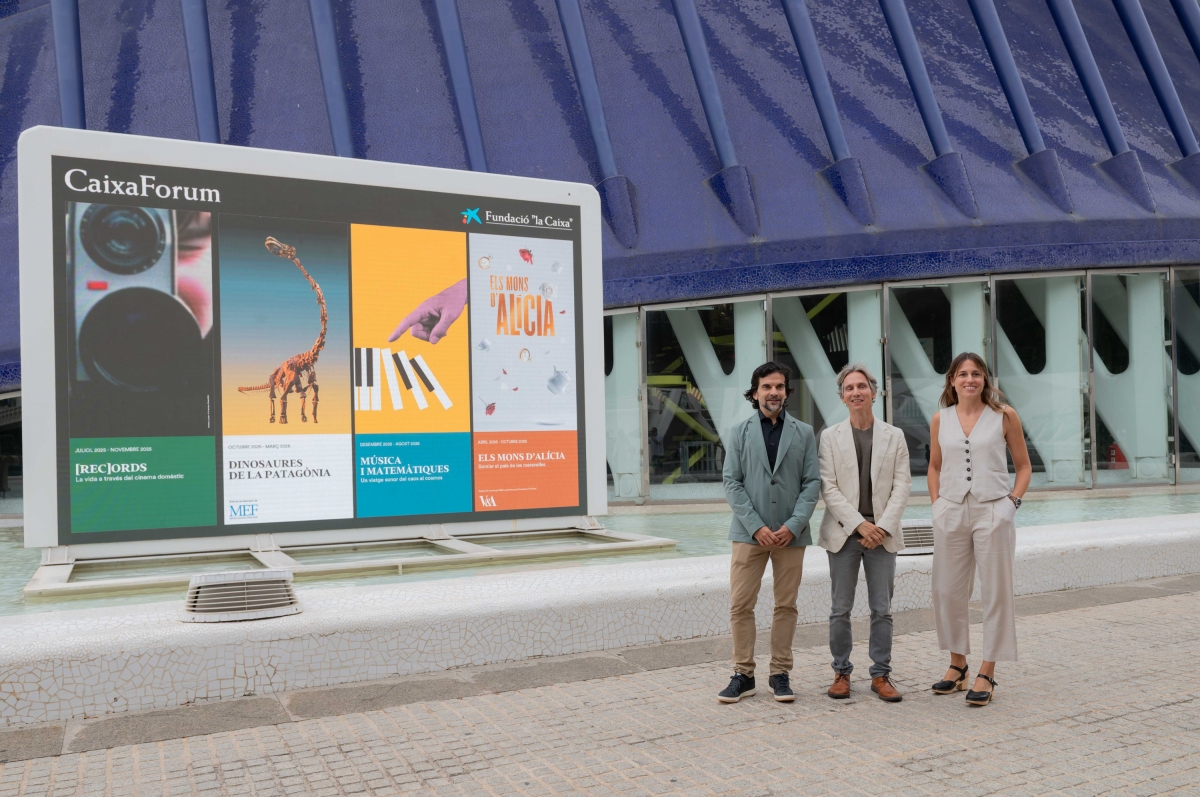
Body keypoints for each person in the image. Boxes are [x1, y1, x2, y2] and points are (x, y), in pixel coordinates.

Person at [928, 352, 1032, 707]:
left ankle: (987, 670)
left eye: (976, 374)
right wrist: (937, 505)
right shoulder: (940, 418)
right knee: (946, 590)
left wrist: (1011, 504)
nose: (969, 379)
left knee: (996, 591)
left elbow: (1023, 467)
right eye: (962, 374)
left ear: (985, 379)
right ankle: (958, 665)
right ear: (952, 380)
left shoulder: (1005, 416)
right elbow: (934, 467)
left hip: (993, 511)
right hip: (952, 511)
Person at [718, 363, 821, 703]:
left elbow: (811, 484)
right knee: (740, 605)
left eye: (779, 386)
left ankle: (780, 672)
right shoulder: (739, 432)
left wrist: (793, 525)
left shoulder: (804, 432)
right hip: (750, 535)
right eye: (766, 387)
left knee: (785, 605)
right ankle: (743, 674)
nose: (773, 392)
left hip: (791, 536)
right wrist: (757, 527)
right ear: (755, 392)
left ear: (787, 392)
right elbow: (731, 482)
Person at [818, 363, 911, 702]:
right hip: (844, 534)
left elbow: (903, 485)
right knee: (840, 608)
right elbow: (828, 488)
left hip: (883, 536)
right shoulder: (829, 437)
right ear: (843, 397)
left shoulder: (894, 436)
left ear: (874, 392)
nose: (855, 392)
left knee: (882, 608)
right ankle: (841, 672)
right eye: (849, 388)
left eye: (861, 386)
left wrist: (882, 527)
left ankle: (881, 675)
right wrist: (860, 525)